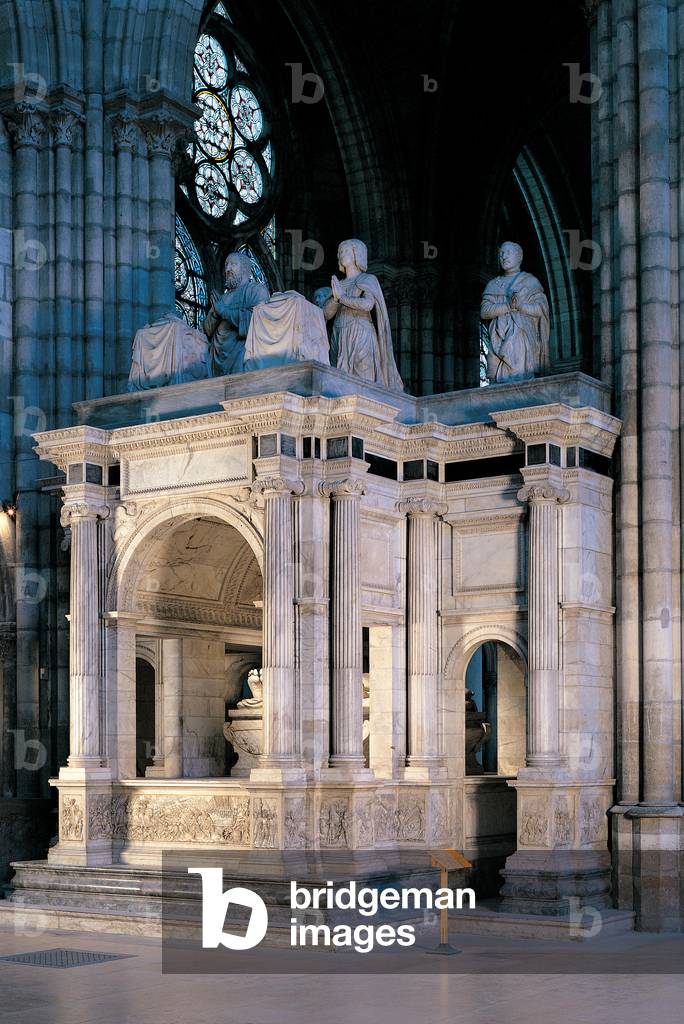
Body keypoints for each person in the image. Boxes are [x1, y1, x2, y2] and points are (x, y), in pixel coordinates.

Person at [322, 238, 403, 390]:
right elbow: (326, 314)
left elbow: (367, 304)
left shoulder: (367, 279)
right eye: (339, 252)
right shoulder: (339, 284)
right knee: (339, 382)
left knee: (364, 379)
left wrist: (342, 297)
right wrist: (335, 298)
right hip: (339, 333)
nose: (340, 255)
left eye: (344, 251)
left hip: (361, 333)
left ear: (356, 254)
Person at [480, 241, 550, 382]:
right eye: (501, 254)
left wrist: (521, 306)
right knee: (501, 381)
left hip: (523, 339)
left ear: (519, 256)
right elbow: (485, 311)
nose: (504, 257)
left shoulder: (530, 282)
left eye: (508, 253)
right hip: (498, 339)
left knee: (521, 378)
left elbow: (541, 310)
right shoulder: (493, 285)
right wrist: (508, 306)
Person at [202, 252, 269, 376]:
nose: (228, 269)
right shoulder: (222, 298)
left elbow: (258, 322)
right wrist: (216, 315)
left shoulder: (256, 290)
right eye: (226, 265)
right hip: (216, 358)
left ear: (244, 268)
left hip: (241, 353)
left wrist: (224, 311)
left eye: (233, 264)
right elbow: (207, 330)